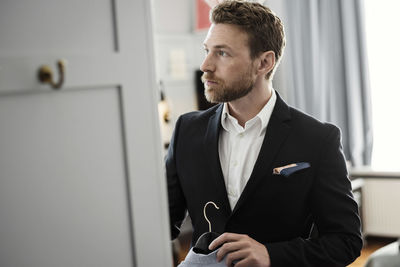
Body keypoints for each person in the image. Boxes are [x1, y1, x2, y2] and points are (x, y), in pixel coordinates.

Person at [166, 1, 363, 266]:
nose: (206, 65)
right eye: (207, 51)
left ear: (264, 62)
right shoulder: (186, 131)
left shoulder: (318, 140)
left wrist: (272, 255)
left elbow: (345, 241)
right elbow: (162, 223)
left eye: (222, 53)